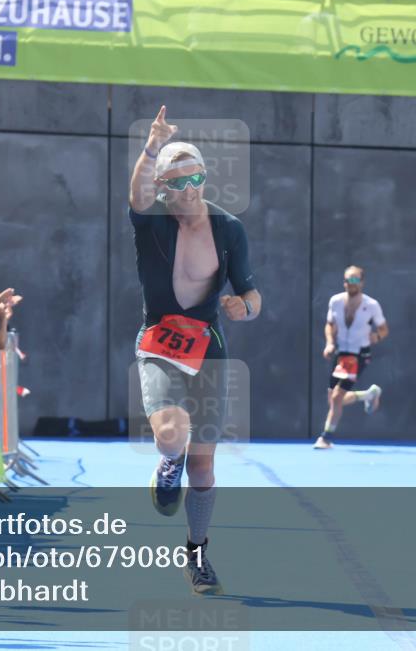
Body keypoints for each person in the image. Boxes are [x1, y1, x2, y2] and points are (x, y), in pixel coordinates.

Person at [129, 106, 261, 595]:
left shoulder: (229, 229)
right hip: (159, 342)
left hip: (208, 348)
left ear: (206, 178)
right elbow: (137, 195)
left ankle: (197, 555)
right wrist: (151, 147)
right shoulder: (152, 222)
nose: (189, 190)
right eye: (178, 182)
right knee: (172, 434)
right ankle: (168, 462)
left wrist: (244, 307)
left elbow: (251, 292)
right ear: (164, 187)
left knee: (203, 466)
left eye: (197, 179)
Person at [314, 265, 389, 449]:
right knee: (333, 399)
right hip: (341, 353)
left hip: (359, 354)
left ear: (362, 282)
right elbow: (330, 325)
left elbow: (383, 329)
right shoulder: (336, 301)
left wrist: (377, 337)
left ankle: (325, 438)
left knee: (337, 397)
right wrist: (329, 343)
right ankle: (368, 395)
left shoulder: (371, 305)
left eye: (355, 279)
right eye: (348, 279)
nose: (351, 283)